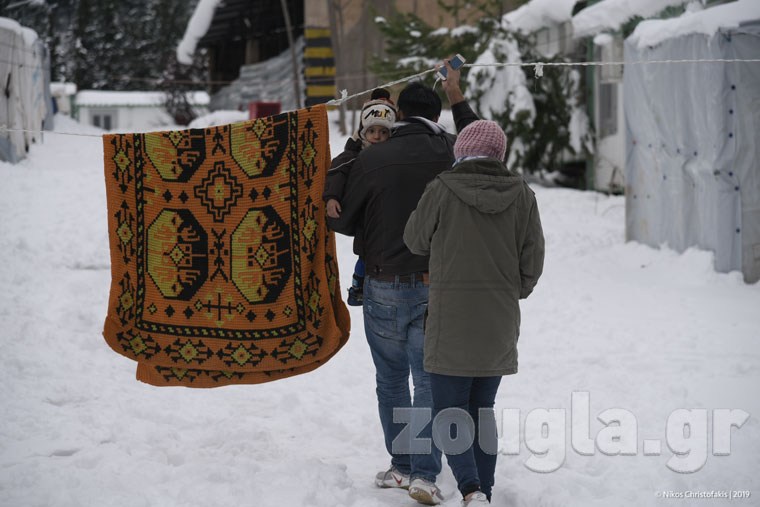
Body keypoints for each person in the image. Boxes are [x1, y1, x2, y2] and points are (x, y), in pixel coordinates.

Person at [328, 61, 478, 505]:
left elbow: (345, 220)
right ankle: (425, 475)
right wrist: (458, 94)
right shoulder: (453, 151)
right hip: (439, 284)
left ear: (399, 115)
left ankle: (402, 465)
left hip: (382, 284)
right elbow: (485, 154)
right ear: (436, 114)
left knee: (390, 380)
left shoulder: (372, 157)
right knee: (428, 381)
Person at [403, 120, 545, 506]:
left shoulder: (442, 189)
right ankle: (484, 489)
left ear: (461, 152)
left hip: (450, 318)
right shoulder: (522, 194)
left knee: (450, 411)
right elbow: (532, 261)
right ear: (499, 154)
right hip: (498, 320)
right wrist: (511, 292)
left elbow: (414, 239)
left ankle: (472, 489)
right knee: (482, 410)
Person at [323, 88, 397, 306]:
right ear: (364, 132)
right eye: (372, 131)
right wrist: (332, 197)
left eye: (383, 133)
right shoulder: (354, 154)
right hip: (366, 214)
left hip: (388, 212)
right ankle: (358, 286)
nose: (377, 136)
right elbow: (337, 172)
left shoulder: (395, 153)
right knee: (365, 253)